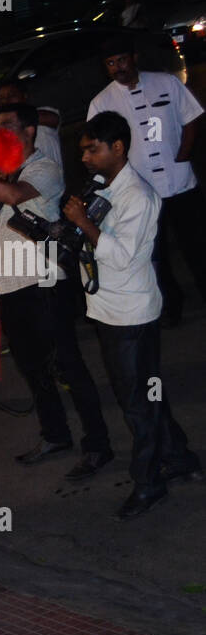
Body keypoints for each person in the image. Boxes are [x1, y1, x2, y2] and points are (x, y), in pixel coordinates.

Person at [0, 103, 113, 479]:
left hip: (44, 283)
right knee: (34, 369)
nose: (0, 129)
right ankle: (55, 434)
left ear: (29, 131)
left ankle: (98, 445)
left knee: (68, 366)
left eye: (8, 124)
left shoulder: (44, 168)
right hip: (10, 283)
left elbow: (14, 197)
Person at [64, 112, 203, 520]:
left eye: (93, 149)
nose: (86, 157)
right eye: (83, 150)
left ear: (118, 147)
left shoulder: (138, 196)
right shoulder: (106, 187)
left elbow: (123, 256)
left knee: (136, 403)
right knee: (145, 393)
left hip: (130, 315)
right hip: (112, 309)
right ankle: (179, 457)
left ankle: (148, 484)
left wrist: (83, 222)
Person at [88, 36, 206, 326]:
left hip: (181, 184)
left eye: (122, 60)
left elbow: (192, 116)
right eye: (111, 63)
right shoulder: (102, 102)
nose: (118, 67)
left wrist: (184, 152)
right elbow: (94, 149)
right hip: (141, 194)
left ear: (134, 58)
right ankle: (170, 308)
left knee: (198, 246)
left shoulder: (166, 83)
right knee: (155, 255)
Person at [0, 82, 62, 167]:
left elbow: (52, 118)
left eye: (12, 95)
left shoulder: (45, 112)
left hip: (47, 174)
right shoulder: (4, 127)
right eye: (2, 98)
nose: (6, 100)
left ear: (25, 95)